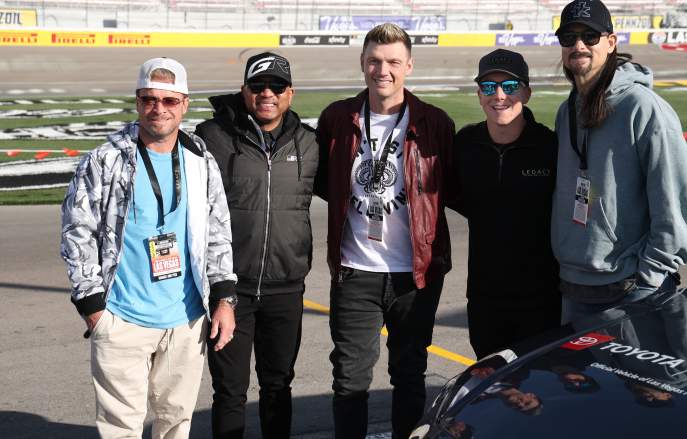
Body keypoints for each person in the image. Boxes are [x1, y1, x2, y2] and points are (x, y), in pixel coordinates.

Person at [60, 57, 238, 438]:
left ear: (185, 104)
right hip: (122, 320)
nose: (158, 109)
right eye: (149, 99)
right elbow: (77, 232)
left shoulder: (200, 160)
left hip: (186, 322)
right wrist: (93, 309)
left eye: (169, 101)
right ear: (138, 102)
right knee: (120, 429)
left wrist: (224, 298)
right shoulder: (105, 161)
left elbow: (217, 231)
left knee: (176, 424)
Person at [314, 23, 457, 439]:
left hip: (415, 273)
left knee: (410, 373)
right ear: (362, 63)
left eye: (393, 61)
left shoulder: (435, 122)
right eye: (375, 61)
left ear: (408, 65)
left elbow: (453, 187)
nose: (383, 70)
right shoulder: (338, 118)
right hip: (355, 270)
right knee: (349, 379)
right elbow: (327, 182)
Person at [551, 0, 687, 323]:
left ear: (611, 42)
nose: (578, 45)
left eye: (590, 36)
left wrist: (649, 277)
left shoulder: (643, 108)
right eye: (568, 37)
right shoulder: (566, 112)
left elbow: (675, 206)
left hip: (630, 291)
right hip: (574, 289)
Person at [195, 52, 318, 439]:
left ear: (290, 93)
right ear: (244, 90)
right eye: (259, 85)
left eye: (277, 86)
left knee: (278, 386)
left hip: (286, 287)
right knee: (229, 391)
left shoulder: (310, 142)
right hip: (230, 290)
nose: (268, 93)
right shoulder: (211, 137)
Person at [454, 49, 560, 359]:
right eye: (489, 87)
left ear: (527, 93)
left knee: (537, 390)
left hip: (542, 298)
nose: (499, 95)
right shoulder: (465, 144)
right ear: (479, 95)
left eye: (510, 87)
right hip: (485, 297)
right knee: (491, 388)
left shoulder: (549, 146)